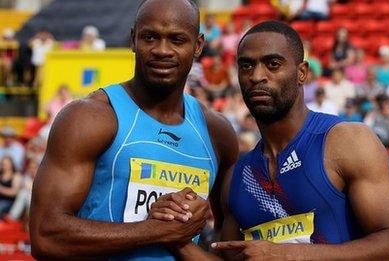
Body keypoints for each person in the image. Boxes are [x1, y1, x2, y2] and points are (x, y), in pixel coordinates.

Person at [151, 21, 389, 260]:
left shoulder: (346, 141)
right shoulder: (237, 177)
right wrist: (175, 235)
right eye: (247, 66)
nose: (257, 76)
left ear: (302, 73)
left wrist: (290, 254)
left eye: (273, 64)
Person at [29, 0, 238, 260]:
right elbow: (45, 236)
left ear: (198, 46)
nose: (162, 50)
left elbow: (226, 241)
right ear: (132, 40)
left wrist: (180, 242)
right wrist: (155, 230)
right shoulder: (89, 118)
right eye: (150, 37)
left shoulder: (218, 133)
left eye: (177, 39)